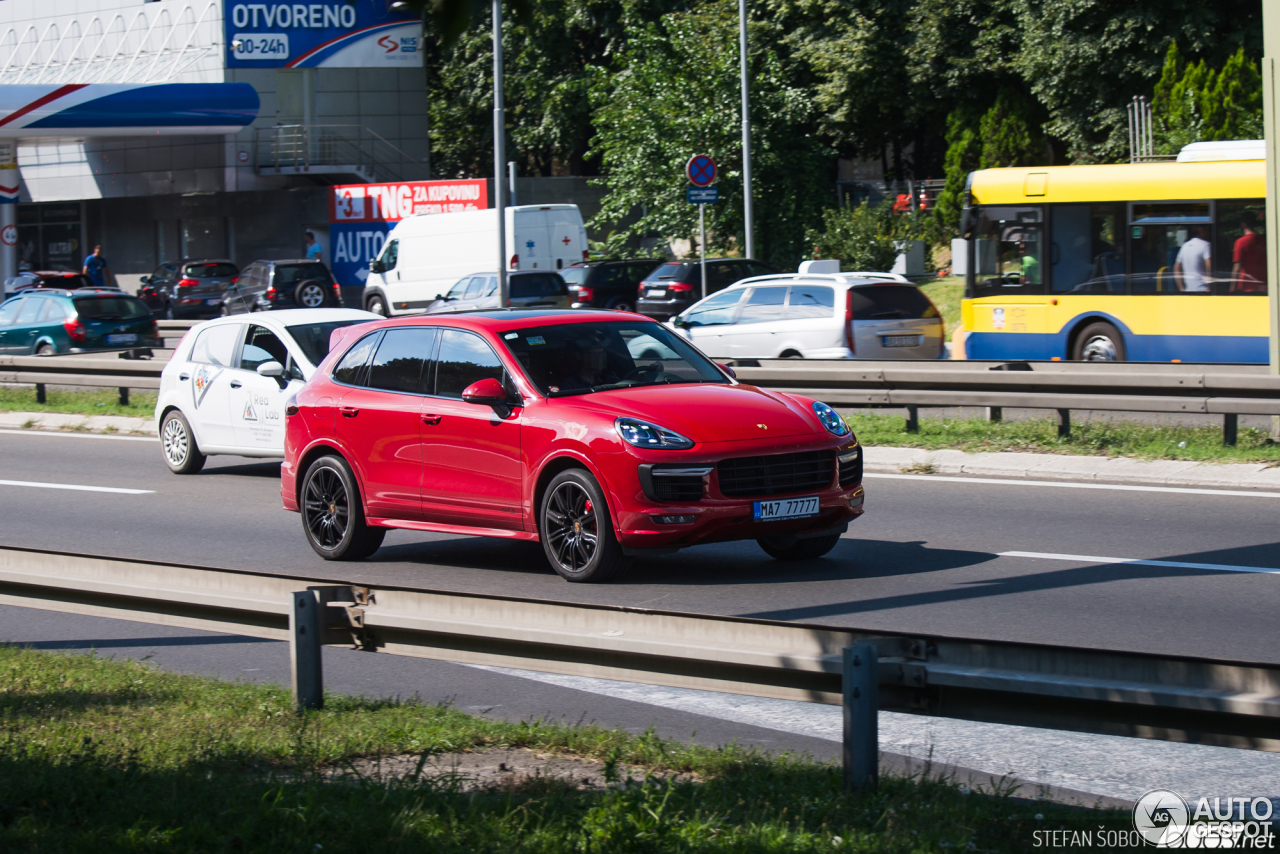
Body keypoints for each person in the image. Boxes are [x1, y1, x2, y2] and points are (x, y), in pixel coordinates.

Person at [1232, 211, 1266, 293]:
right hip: (1264, 286)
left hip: (1247, 287)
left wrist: (1232, 288)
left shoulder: (1240, 242)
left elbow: (1237, 267)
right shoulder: (1263, 240)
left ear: (1243, 224)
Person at [1174, 225, 1212, 292]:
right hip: (1203, 290)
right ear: (1200, 230)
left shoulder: (1185, 246)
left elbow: (1176, 268)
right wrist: (1210, 286)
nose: (1209, 233)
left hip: (1188, 291)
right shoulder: (1206, 245)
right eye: (1208, 230)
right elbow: (1209, 266)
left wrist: (1182, 288)